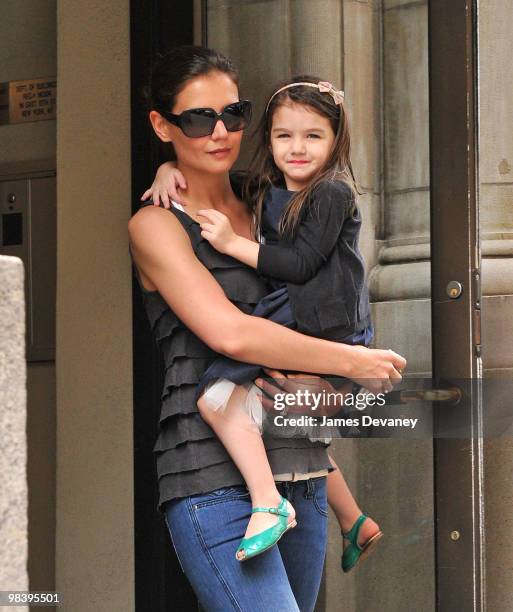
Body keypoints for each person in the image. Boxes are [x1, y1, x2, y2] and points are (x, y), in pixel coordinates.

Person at [129, 45, 406, 611]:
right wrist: (354, 363)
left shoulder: (271, 201)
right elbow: (231, 335)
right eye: (197, 118)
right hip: (210, 474)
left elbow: (331, 283)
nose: (221, 131)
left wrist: (336, 372)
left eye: (234, 113)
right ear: (162, 125)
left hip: (297, 465)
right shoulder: (156, 225)